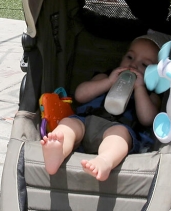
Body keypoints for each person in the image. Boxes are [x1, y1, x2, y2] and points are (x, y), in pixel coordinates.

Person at [41, 36, 162, 181]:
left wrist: (140, 88)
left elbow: (148, 119)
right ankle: (58, 151)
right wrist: (109, 82)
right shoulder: (106, 76)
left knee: (119, 136)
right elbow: (80, 95)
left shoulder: (149, 93)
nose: (133, 65)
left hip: (118, 127)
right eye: (130, 57)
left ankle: (104, 160)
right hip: (86, 121)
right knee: (68, 124)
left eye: (144, 65)